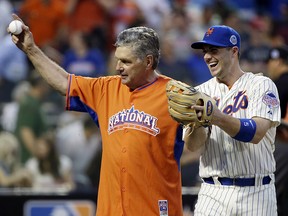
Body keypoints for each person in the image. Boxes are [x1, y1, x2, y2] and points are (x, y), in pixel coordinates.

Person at [9, 14, 184, 215]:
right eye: (117, 60)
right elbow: (64, 82)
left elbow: (198, 142)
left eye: (126, 62)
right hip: (111, 210)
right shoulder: (105, 88)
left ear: (148, 61)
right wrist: (31, 50)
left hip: (155, 209)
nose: (118, 67)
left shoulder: (176, 94)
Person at [184, 25, 281, 215]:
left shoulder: (261, 85)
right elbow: (193, 146)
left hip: (256, 192)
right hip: (212, 192)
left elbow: (256, 132)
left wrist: (217, 117)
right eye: (205, 52)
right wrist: (196, 124)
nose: (207, 57)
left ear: (234, 51)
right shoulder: (199, 93)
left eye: (214, 50)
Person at [266, 46, 288, 216]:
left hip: (284, 143)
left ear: (278, 62)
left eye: (270, 63)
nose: (268, 67)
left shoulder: (279, 83)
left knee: (270, 193)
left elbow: (266, 111)